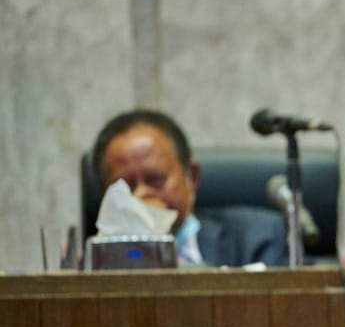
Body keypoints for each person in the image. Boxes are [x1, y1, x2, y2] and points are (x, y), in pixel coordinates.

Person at [90, 109, 288, 267]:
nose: (141, 194)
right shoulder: (95, 262)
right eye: (125, 187)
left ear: (191, 177)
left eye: (155, 179)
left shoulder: (257, 238)